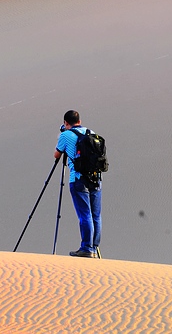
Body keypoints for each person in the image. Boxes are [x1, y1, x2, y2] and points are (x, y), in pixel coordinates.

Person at [54, 109, 102, 258]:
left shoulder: (65, 135)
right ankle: (93, 247)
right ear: (79, 121)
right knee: (96, 215)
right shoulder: (91, 132)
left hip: (78, 180)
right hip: (95, 179)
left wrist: (62, 133)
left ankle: (86, 248)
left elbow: (56, 154)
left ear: (66, 123)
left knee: (84, 215)